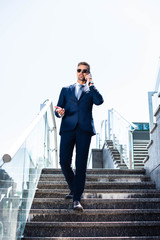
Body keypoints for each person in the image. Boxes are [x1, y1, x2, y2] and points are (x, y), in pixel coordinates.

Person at [55, 62, 104, 211]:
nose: (81, 73)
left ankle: (77, 199)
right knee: (64, 162)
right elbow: (58, 109)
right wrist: (59, 112)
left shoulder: (91, 91)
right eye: (79, 70)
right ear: (76, 72)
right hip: (68, 129)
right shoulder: (65, 90)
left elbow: (99, 101)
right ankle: (74, 187)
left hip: (84, 130)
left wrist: (92, 83)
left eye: (84, 71)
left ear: (88, 73)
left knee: (81, 165)